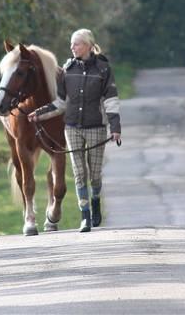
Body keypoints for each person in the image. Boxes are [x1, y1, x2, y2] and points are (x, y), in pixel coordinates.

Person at [28, 28, 121, 232]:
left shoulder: (103, 69)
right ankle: (85, 216)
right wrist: (39, 113)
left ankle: (95, 199)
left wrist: (115, 128)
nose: (72, 47)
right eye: (71, 44)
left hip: (96, 127)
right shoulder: (67, 70)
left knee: (94, 175)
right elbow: (60, 103)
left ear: (87, 45)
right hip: (72, 128)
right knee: (79, 174)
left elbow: (111, 100)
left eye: (76, 44)